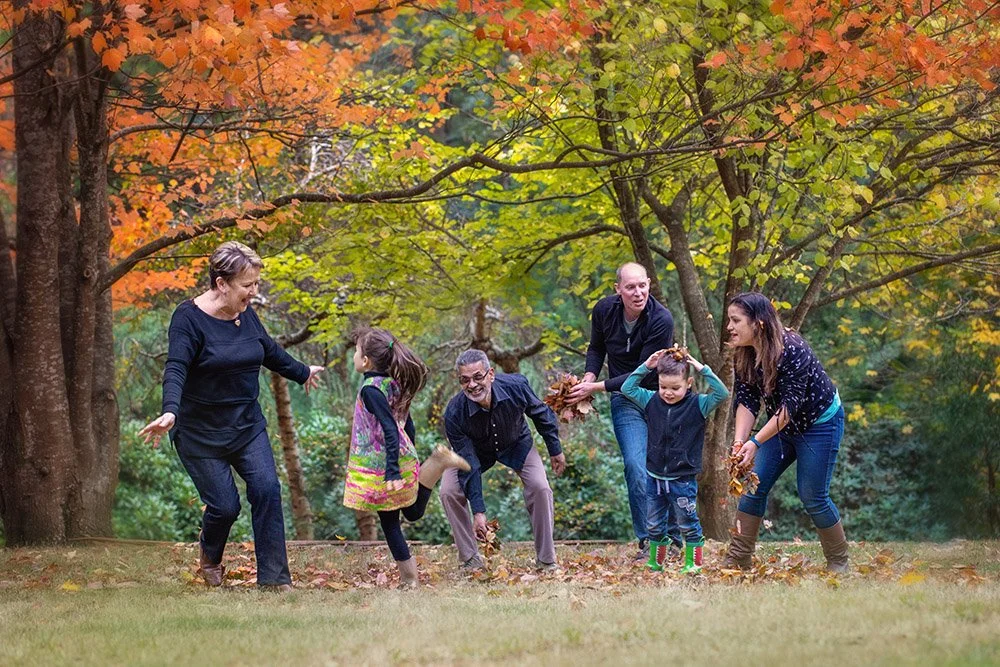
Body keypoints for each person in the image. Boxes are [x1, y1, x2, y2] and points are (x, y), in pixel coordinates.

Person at [139, 241, 324, 591]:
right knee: (225, 506)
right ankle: (210, 556)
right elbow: (176, 368)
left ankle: (274, 580)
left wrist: (302, 372)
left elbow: (266, 349)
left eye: (256, 284)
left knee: (267, 490)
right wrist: (169, 411)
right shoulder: (188, 319)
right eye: (247, 285)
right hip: (199, 433)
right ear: (222, 283)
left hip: (246, 426)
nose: (254, 292)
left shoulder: (245, 313)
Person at [724, 292, 849, 573]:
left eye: (736, 320)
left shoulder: (793, 349)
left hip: (819, 424)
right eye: (729, 320)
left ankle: (839, 561)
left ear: (759, 323)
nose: (729, 327)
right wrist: (739, 442)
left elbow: (789, 407)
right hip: (780, 427)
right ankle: (738, 558)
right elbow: (746, 400)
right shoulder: (743, 351)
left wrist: (755, 442)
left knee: (812, 495)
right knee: (754, 486)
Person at [343, 327, 471, 589]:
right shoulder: (393, 385)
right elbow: (406, 424)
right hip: (402, 454)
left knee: (390, 522)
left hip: (383, 464)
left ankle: (409, 580)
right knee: (411, 512)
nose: (354, 356)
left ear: (366, 360)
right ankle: (435, 464)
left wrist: (392, 471)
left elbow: (390, 429)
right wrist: (408, 456)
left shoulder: (371, 390)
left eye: (356, 352)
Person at [566, 262, 675, 558]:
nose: (638, 293)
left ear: (649, 284)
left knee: (665, 467)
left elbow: (642, 372)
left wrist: (596, 387)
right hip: (624, 401)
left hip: (658, 396)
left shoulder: (662, 319)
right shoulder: (603, 310)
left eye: (642, 285)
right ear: (618, 290)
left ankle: (676, 539)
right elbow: (596, 348)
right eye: (630, 287)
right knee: (635, 467)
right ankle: (649, 541)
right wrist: (589, 375)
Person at [439, 349, 567, 570]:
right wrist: (479, 512)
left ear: (491, 374)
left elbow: (541, 413)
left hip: (517, 443)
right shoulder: (454, 412)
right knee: (448, 490)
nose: (472, 385)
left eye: (478, 377)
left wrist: (555, 449)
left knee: (540, 488)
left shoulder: (516, 386)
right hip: (473, 454)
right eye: (465, 380)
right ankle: (470, 561)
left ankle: (546, 561)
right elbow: (469, 463)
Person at [621, 348, 729, 574]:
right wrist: (647, 366)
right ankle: (656, 562)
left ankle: (693, 563)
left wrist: (703, 369)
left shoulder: (698, 405)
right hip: (655, 478)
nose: (668, 393)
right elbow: (627, 388)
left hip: (682, 479)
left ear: (689, 383)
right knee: (653, 524)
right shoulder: (651, 400)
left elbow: (722, 393)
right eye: (663, 387)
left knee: (687, 522)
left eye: (675, 388)